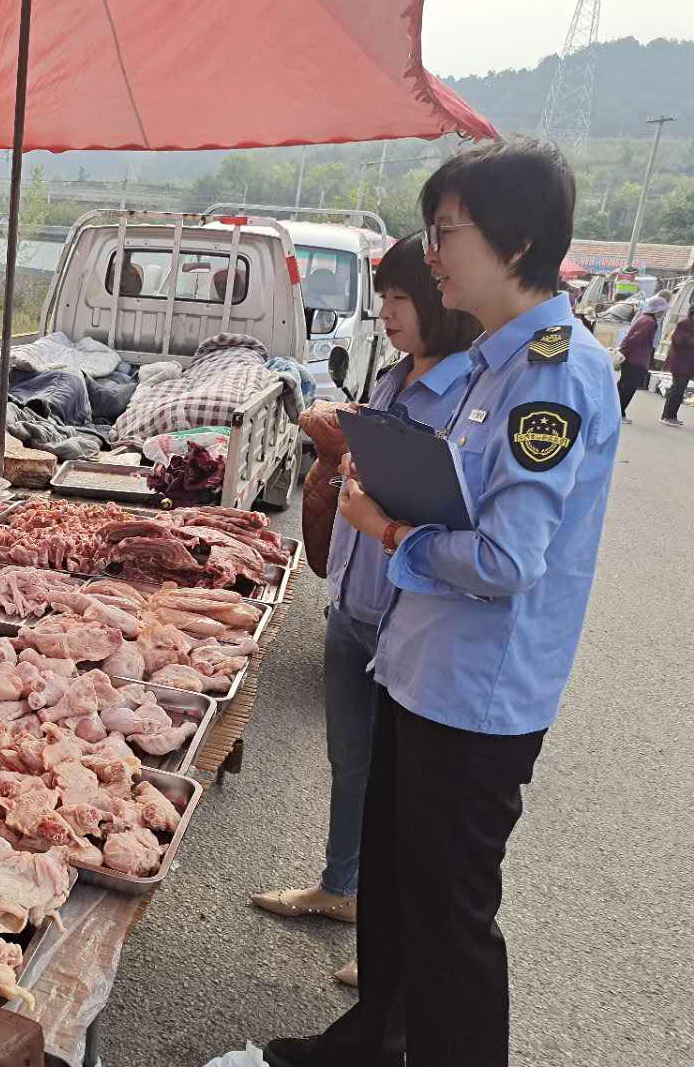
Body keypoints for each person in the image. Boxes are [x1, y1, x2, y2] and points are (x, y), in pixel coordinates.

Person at [265, 139, 619, 1067]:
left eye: (446, 232)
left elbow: (507, 558)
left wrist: (386, 532)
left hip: (479, 696)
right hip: (420, 670)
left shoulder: (553, 373)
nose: (432, 255)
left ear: (518, 242)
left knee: (451, 917)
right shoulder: (495, 363)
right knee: (390, 882)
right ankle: (366, 1043)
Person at [250, 235, 480, 990]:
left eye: (403, 297)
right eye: (383, 296)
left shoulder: (467, 395)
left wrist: (380, 511)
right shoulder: (390, 380)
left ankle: (394, 948)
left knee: (407, 793)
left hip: (409, 618)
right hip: (352, 606)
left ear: (445, 301)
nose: (386, 312)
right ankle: (341, 889)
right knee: (351, 763)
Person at [616, 293, 667, 421]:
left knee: (623, 384)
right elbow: (636, 339)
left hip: (631, 358)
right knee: (629, 386)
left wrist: (623, 351)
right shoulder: (650, 322)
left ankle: (615, 410)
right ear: (657, 309)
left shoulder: (643, 318)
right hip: (636, 359)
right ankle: (619, 413)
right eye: (662, 310)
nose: (664, 313)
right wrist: (625, 351)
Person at [661, 302, 694, 426]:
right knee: (677, 390)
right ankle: (667, 416)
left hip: (688, 364)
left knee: (679, 391)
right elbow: (679, 341)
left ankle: (672, 415)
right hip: (680, 362)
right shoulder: (684, 324)